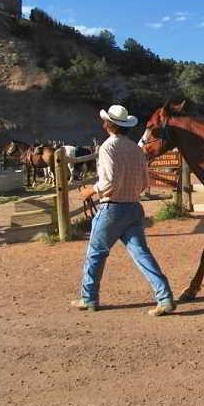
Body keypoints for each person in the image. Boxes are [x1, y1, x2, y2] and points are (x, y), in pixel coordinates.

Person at [71, 104, 175, 316]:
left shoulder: (108, 148)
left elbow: (109, 181)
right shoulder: (136, 150)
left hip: (112, 208)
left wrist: (92, 190)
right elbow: (146, 181)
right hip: (133, 207)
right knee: (141, 253)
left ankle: (89, 298)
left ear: (108, 125)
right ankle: (164, 297)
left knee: (96, 253)